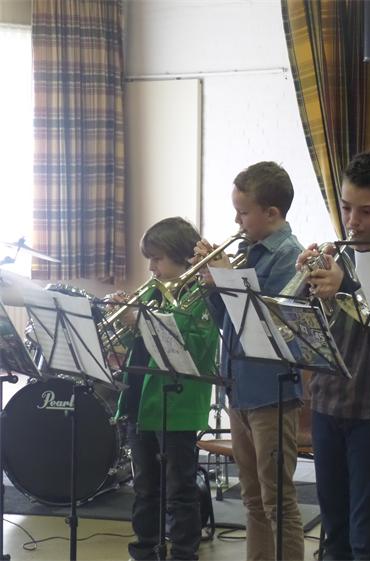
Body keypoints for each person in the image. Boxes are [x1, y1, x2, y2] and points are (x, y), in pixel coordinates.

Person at [298, 151, 370, 560]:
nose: (352, 221)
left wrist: (346, 288)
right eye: (346, 208)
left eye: (365, 211)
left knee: (367, 536)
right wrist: (304, 284)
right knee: (335, 533)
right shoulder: (337, 255)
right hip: (327, 404)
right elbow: (305, 328)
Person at [195, 161, 305, 561]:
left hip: (271, 392)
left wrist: (227, 280)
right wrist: (213, 287)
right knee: (252, 498)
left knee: (278, 500)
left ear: (271, 213)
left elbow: (270, 325)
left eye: (243, 213)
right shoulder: (247, 252)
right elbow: (230, 323)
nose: (236, 222)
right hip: (238, 388)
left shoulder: (289, 257)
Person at [115, 217, 219, 561]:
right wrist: (124, 317)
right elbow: (137, 344)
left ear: (182, 257)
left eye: (157, 259)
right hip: (139, 402)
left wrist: (141, 321)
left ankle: (184, 553)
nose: (151, 268)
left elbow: (196, 349)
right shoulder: (152, 291)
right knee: (144, 488)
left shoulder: (201, 295)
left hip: (177, 406)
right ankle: (144, 550)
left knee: (179, 490)